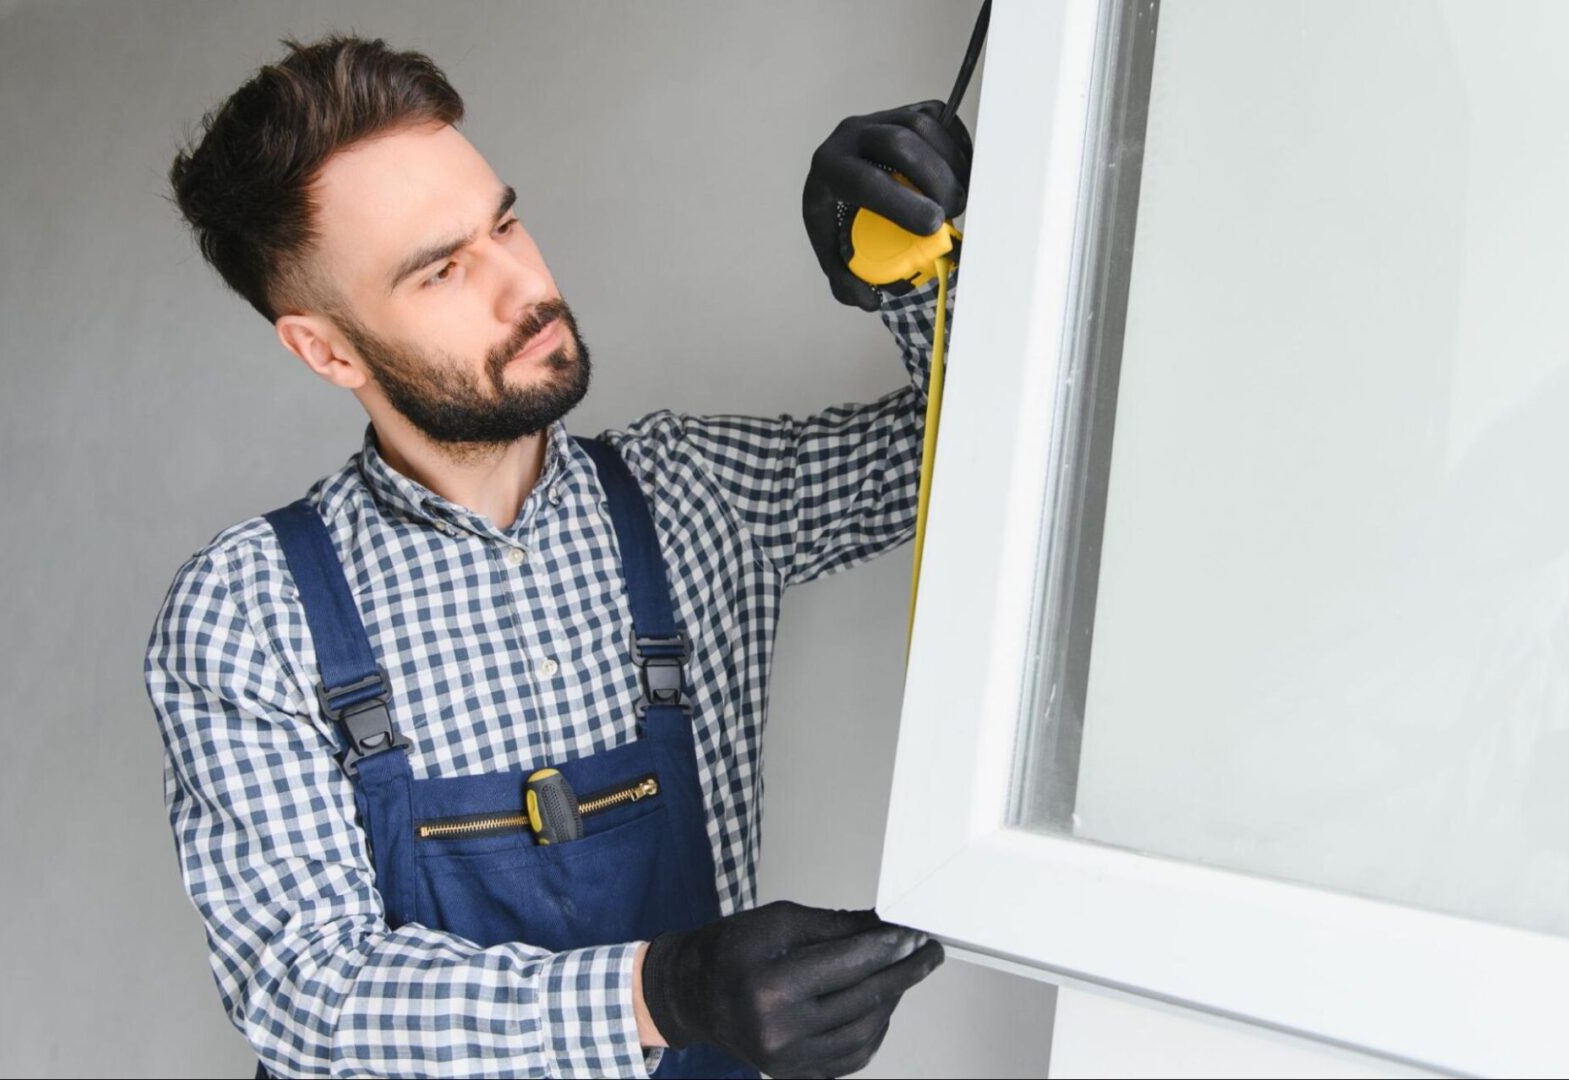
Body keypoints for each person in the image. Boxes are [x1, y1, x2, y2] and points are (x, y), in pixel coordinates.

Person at [145, 32, 970, 1079]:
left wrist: (911, 269)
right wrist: (662, 993)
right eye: (443, 270)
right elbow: (309, 991)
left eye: (505, 224)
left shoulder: (695, 494)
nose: (524, 285)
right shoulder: (249, 608)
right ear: (327, 348)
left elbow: (975, 463)